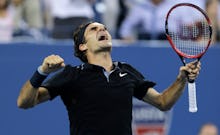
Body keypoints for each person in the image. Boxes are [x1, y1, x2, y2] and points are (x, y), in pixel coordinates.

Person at [17, 22, 201, 135]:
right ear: (82, 46)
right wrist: (42, 71)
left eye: (104, 28)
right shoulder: (72, 75)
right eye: (94, 29)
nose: (102, 29)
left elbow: (163, 102)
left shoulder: (127, 72)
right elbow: (24, 102)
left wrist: (182, 78)